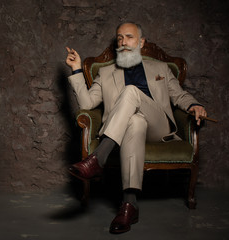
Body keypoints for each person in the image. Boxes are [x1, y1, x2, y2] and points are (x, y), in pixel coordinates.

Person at [65, 22, 207, 234]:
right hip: (128, 130)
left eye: (129, 37)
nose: (124, 43)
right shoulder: (105, 73)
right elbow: (86, 105)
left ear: (141, 42)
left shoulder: (161, 69)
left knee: (131, 91)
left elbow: (179, 95)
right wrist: (76, 69)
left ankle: (98, 158)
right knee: (135, 121)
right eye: (120, 38)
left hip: (159, 128)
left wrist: (194, 104)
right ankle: (129, 205)